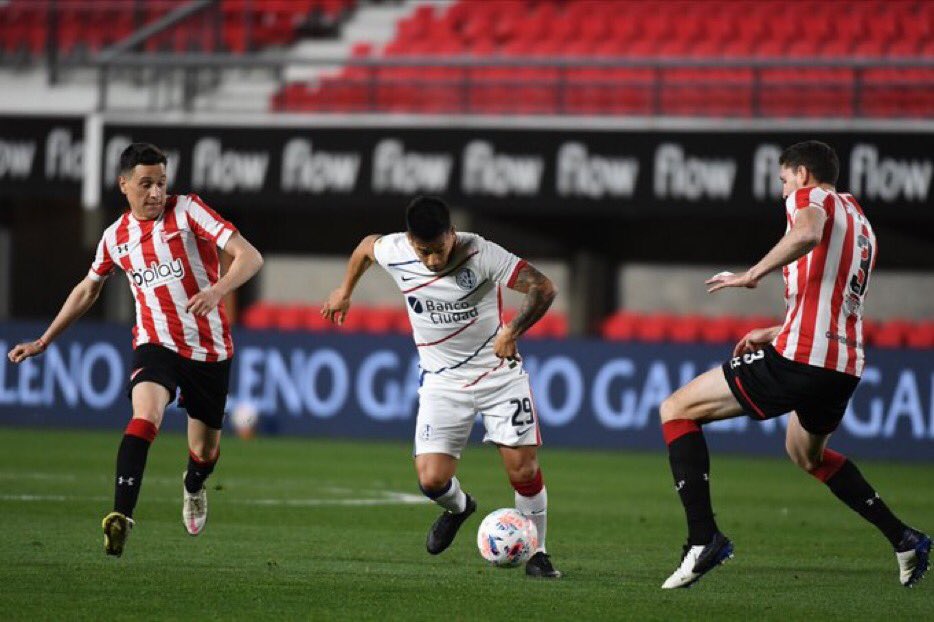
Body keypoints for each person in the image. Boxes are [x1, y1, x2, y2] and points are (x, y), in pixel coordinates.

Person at [657, 140, 929, 589]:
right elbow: (831, 294)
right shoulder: (860, 220)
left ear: (802, 174)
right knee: (806, 454)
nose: (783, 190)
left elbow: (806, 233)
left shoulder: (811, 197)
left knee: (676, 410)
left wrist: (751, 275)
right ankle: (905, 538)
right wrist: (774, 330)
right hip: (843, 364)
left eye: (783, 180)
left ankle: (703, 539)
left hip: (804, 356)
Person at [6, 143, 263, 557]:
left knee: (205, 452)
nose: (157, 192)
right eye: (146, 184)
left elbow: (250, 257)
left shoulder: (189, 211)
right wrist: (44, 340)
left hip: (209, 350)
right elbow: (89, 289)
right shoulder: (115, 238)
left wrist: (217, 289)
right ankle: (120, 516)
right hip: (155, 343)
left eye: (162, 182)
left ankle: (194, 484)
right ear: (123, 185)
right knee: (145, 416)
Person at [322, 196, 561, 578]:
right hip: (442, 382)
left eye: (438, 249)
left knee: (523, 470)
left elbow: (543, 287)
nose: (432, 260)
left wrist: (512, 330)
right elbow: (367, 247)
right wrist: (344, 290)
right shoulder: (396, 250)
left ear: (452, 234)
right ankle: (460, 508)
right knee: (431, 479)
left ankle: (539, 554)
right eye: (424, 252)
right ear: (409, 241)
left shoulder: (480, 252)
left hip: (499, 376)